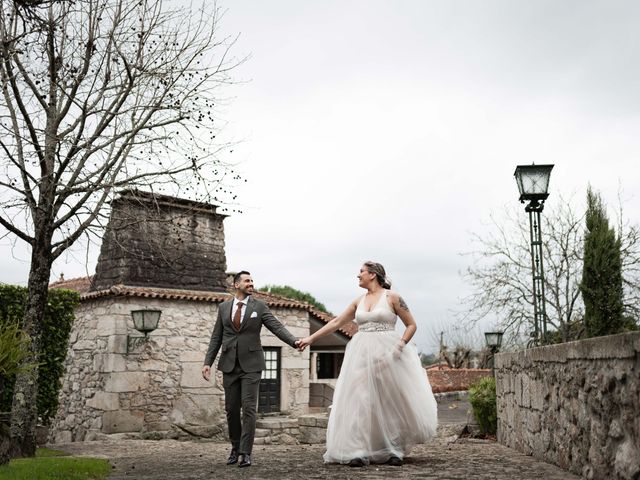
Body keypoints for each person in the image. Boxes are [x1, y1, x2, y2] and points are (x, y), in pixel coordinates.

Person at [297, 261, 438, 467]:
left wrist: (397, 349)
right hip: (361, 355)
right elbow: (336, 322)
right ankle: (358, 450)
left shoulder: (393, 298)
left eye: (361, 272)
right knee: (361, 401)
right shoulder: (357, 301)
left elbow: (411, 325)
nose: (358, 275)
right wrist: (311, 339)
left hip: (389, 354)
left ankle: (393, 449)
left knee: (389, 401)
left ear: (373, 274)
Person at [202, 271, 301, 468]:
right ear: (236, 284)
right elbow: (216, 337)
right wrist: (208, 362)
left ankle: (245, 453)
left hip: (252, 366)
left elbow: (276, 327)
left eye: (252, 281)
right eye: (247, 281)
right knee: (231, 410)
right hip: (229, 364)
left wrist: (294, 341)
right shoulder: (223, 308)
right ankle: (235, 447)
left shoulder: (259, 306)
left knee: (248, 409)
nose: (251, 283)